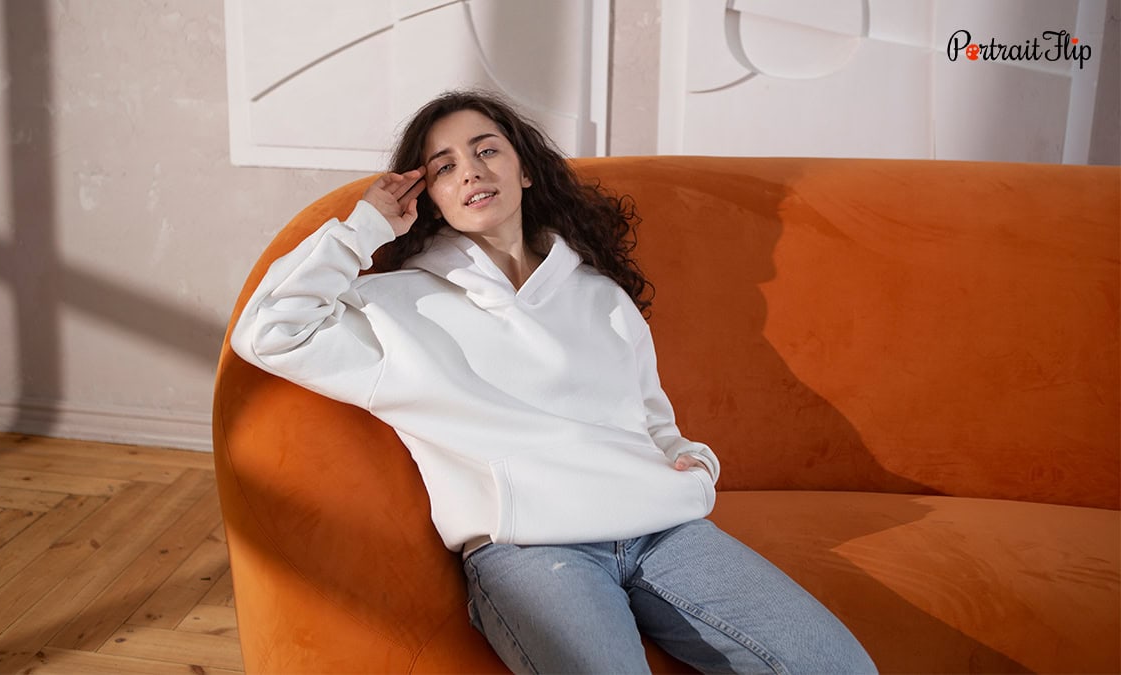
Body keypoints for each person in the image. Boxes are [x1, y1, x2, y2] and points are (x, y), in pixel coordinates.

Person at [231, 89, 876, 674]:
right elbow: (266, 331)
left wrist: (689, 460)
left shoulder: (599, 296)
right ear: (426, 195)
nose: (472, 171)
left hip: (665, 532)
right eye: (445, 166)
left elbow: (654, 421)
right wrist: (365, 227)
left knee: (842, 667)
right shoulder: (395, 308)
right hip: (533, 555)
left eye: (487, 150)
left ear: (524, 169)